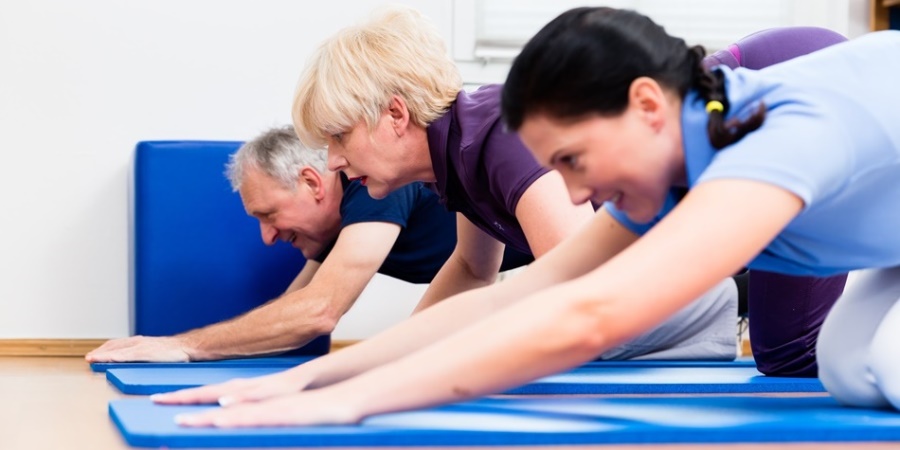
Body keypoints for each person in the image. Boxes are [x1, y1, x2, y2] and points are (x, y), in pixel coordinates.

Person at [151, 9, 869, 427]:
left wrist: (354, 401)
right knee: (829, 366)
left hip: (812, 188)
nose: (577, 196)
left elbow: (580, 306)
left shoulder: (494, 133)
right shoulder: (469, 165)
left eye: (574, 164)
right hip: (854, 215)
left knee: (825, 362)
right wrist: (316, 380)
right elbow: (507, 281)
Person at [86, 126, 529, 363]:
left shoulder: (374, 184)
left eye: (268, 214)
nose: (267, 236)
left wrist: (183, 345)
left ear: (313, 182)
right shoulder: (336, 227)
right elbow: (294, 309)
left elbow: (318, 311)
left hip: (557, 253)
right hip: (501, 264)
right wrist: (176, 348)